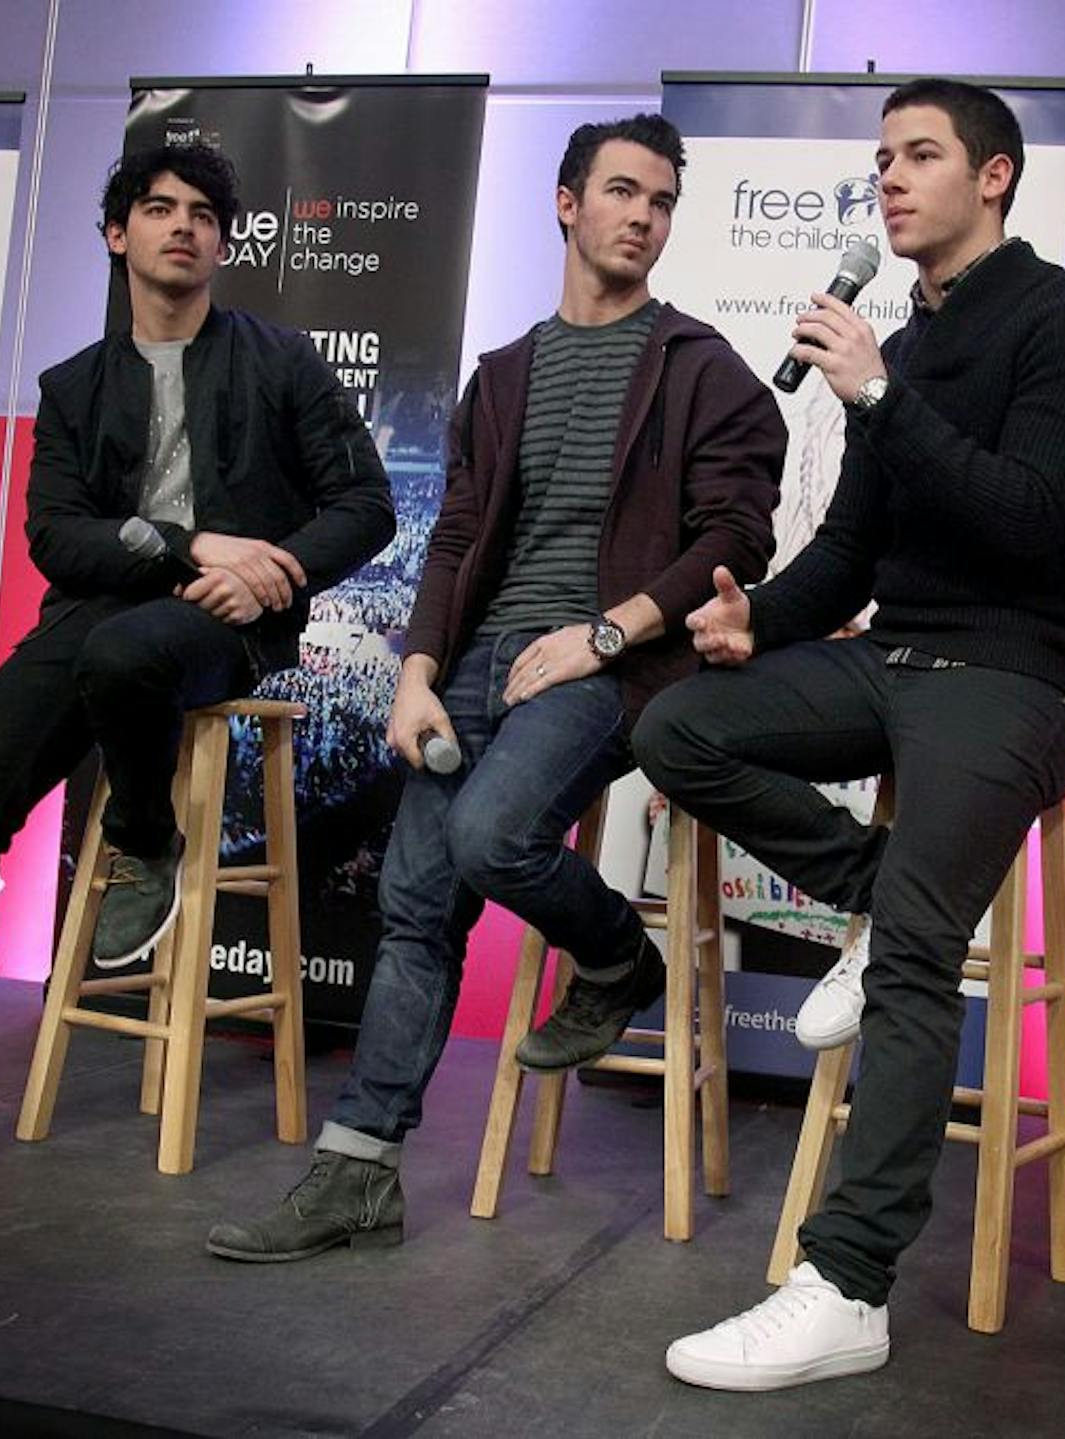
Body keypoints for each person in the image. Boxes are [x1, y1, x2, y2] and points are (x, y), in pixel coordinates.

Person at [206, 113, 783, 1263]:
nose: (643, 216)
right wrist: (416, 671)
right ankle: (358, 1168)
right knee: (414, 895)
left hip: (606, 661)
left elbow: (737, 534)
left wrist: (604, 635)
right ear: (567, 203)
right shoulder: (505, 374)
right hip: (476, 658)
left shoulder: (701, 367)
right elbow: (459, 535)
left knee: (490, 836)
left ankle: (619, 958)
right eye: (622, 191)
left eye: (662, 201)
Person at [636, 78, 1065, 1389]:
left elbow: (1028, 521)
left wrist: (874, 395)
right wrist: (758, 619)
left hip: (1018, 674)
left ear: (996, 175)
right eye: (882, 160)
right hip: (894, 656)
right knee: (680, 726)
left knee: (920, 950)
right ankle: (877, 891)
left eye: (921, 155)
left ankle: (848, 1287)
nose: (892, 180)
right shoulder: (900, 349)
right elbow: (852, 553)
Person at [0, 142, 395, 1185]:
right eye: (158, 208)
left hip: (224, 626)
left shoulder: (282, 361)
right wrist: (192, 544)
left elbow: (367, 503)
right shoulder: (73, 385)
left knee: (128, 651)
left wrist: (276, 573)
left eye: (203, 212)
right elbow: (55, 536)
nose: (182, 225)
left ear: (223, 243)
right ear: (118, 234)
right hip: (97, 616)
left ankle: (142, 837)